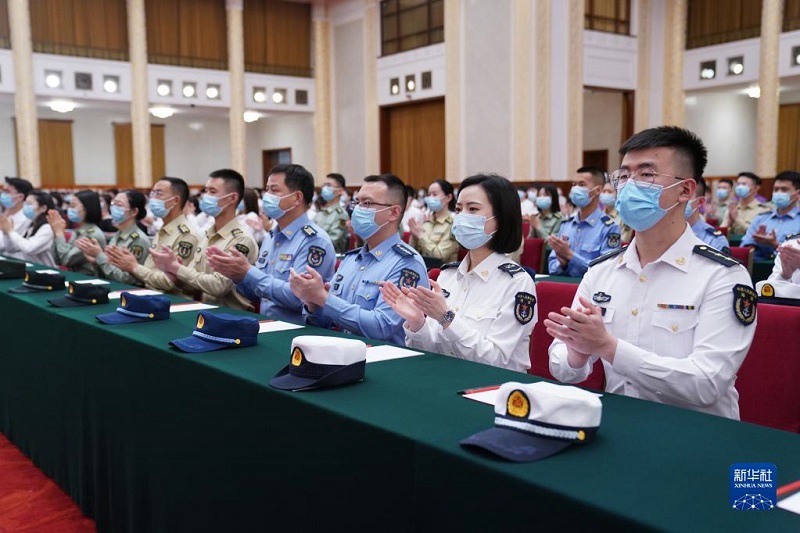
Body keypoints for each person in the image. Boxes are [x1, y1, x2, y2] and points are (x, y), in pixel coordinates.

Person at [547, 126, 756, 420]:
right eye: (624, 176)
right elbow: (563, 369)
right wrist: (577, 355)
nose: (630, 186)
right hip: (619, 426)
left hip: (696, 436)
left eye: (646, 174)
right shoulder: (602, 271)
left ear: (685, 190)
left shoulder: (723, 277)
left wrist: (608, 347)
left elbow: (707, 384)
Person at [382, 173, 536, 373]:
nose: (462, 217)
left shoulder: (516, 283)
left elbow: (496, 361)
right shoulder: (448, 275)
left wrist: (447, 318)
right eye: (459, 209)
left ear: (501, 218)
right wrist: (417, 322)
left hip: (491, 389)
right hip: (445, 379)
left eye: (472, 209)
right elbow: (431, 350)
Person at [289, 173, 430, 346]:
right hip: (340, 355)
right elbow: (324, 323)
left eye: (367, 203)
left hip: (383, 362)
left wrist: (324, 298)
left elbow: (381, 327)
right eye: (357, 203)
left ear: (393, 212)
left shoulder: (407, 264)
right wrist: (313, 304)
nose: (357, 210)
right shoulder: (351, 260)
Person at [206, 164, 336, 323]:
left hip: (297, 333)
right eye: (267, 189)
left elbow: (299, 298)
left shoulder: (314, 241)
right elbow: (258, 295)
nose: (267, 196)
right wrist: (238, 276)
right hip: (266, 325)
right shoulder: (272, 236)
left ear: (296, 198)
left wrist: (248, 272)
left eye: (274, 190)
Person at [150, 169, 258, 311]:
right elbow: (192, 284)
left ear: (232, 198)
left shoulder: (241, 239)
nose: (205, 196)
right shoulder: (207, 235)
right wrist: (175, 277)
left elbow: (218, 287)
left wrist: (176, 268)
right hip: (206, 313)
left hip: (233, 317)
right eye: (205, 191)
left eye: (212, 192)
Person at [105, 177, 201, 294]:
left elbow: (170, 282)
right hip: (151, 296)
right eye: (152, 193)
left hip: (173, 302)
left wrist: (134, 267)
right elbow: (151, 272)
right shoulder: (164, 230)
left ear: (175, 200)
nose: (153, 198)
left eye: (159, 194)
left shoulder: (186, 236)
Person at [547, 166, 621, 277]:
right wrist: (562, 265)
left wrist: (570, 256)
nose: (575, 189)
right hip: (564, 287)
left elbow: (606, 271)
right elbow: (552, 266)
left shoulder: (609, 228)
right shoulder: (566, 225)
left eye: (581, 185)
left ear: (597, 190)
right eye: (574, 184)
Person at [77, 190, 151, 285]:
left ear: (134, 212)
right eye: (113, 204)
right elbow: (109, 272)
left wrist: (99, 255)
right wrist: (96, 261)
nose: (113, 208)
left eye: (119, 205)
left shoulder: (138, 240)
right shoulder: (118, 235)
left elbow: (127, 279)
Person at [740, 171, 800, 260]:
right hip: (757, 269)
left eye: (784, 190)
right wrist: (754, 243)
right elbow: (744, 248)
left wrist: (775, 244)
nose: (778, 193)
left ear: (798, 194)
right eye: (776, 189)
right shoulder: (761, 218)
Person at [49, 190, 107, 275]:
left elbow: (66, 261)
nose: (69, 209)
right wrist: (56, 233)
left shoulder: (92, 234)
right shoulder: (79, 230)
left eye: (73, 206)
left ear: (87, 208)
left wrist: (59, 234)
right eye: (69, 206)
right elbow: (56, 259)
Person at [0, 190, 56, 267]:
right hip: (31, 268)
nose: (25, 207)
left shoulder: (47, 228)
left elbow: (29, 248)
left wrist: (10, 231)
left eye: (29, 204)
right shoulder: (30, 226)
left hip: (47, 272)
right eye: (25, 203)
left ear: (43, 208)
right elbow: (11, 249)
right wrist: (6, 233)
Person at [409, 179, 459, 264]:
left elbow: (440, 257)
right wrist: (414, 237)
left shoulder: (454, 224)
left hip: (443, 272)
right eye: (429, 194)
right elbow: (412, 253)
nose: (430, 198)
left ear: (448, 197)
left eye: (435, 194)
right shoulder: (426, 222)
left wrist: (421, 236)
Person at [686, 176, 730, 254]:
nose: (677, 200)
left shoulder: (714, 241)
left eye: (685, 194)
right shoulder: (662, 234)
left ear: (699, 202)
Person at [314, 173, 350, 253]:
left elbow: (332, 241)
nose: (324, 188)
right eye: (324, 185)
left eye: (329, 185)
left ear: (340, 191)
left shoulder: (341, 215)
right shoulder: (320, 213)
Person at [0, 177, 34, 248]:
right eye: (3, 191)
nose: (3, 195)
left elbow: (4, 246)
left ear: (20, 197)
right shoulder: (7, 214)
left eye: (7, 192)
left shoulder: (25, 217)